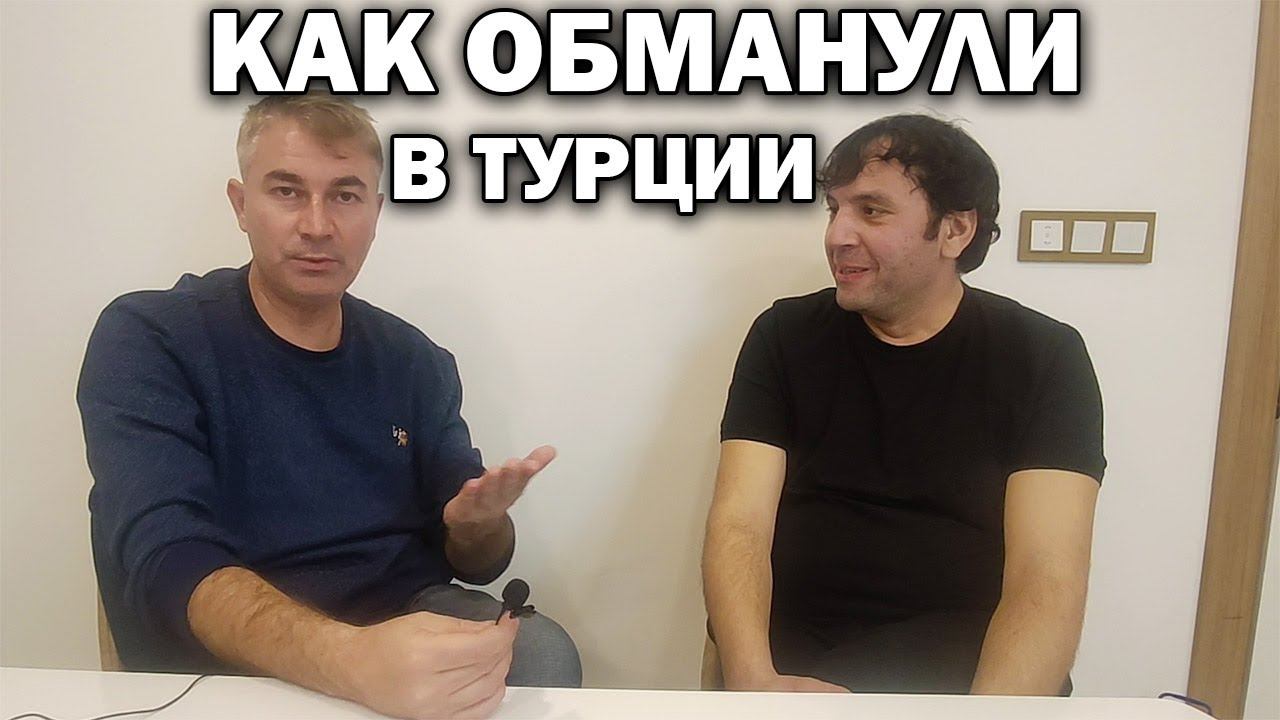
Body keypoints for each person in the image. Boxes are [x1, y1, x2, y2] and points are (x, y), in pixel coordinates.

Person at [77, 95, 581, 720]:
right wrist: (351, 661)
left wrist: (479, 526)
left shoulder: (415, 360)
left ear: (376, 212)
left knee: (543, 653)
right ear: (241, 204)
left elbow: (475, 564)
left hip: (398, 621)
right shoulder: (150, 337)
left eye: (345, 195)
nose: (317, 225)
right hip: (226, 649)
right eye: (287, 191)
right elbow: (164, 558)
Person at [702, 114, 1105, 696]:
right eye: (834, 209)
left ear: (955, 230)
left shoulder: (1045, 356)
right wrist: (754, 684)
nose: (838, 235)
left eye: (871, 210)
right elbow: (739, 523)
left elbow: (1047, 573)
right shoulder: (783, 335)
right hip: (791, 655)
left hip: (959, 662)